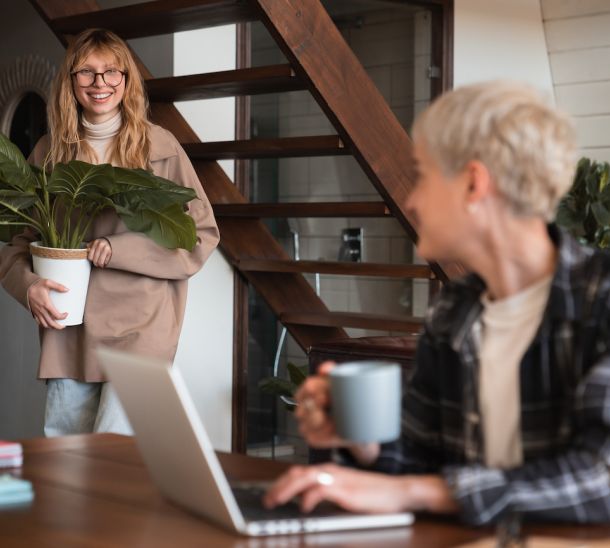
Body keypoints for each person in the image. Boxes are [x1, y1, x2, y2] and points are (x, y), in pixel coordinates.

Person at [263, 81, 610, 525]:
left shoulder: (601, 301)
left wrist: (410, 490)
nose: (411, 200)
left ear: (472, 184)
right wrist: (359, 436)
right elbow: (422, 463)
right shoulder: (456, 310)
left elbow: (601, 476)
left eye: (424, 176)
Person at [0, 29, 220, 436]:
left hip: (141, 331)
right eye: (86, 72)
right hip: (68, 332)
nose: (99, 84)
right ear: (70, 82)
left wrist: (118, 249)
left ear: (126, 79)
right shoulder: (50, 152)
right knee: (65, 470)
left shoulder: (160, 146)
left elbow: (199, 236)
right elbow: (17, 242)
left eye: (111, 72)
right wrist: (27, 286)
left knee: (116, 464)